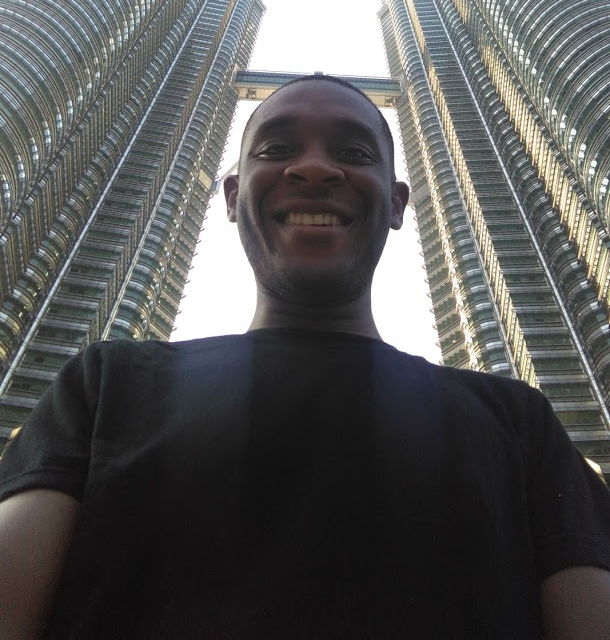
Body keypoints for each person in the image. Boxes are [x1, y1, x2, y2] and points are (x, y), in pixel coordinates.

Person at [0, 74, 609, 638]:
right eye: (275, 149)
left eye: (353, 153)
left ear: (397, 204)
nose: (315, 168)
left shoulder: (518, 423)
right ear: (233, 196)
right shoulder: (107, 386)